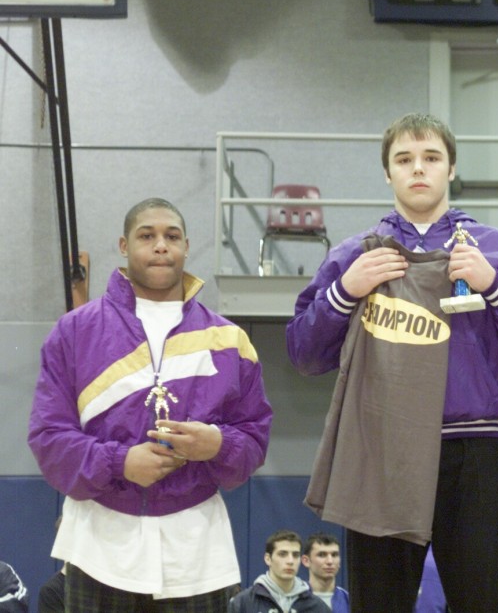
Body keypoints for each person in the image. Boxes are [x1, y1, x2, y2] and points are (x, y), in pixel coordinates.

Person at [287, 112, 498, 612]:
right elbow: (304, 355)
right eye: (404, 159)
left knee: (488, 605)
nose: (418, 168)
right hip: (382, 452)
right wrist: (343, 292)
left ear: (451, 168)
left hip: (474, 452)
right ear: (388, 173)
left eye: (431, 157)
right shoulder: (354, 256)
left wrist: (496, 286)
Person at [28, 197, 273, 612]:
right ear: (124, 246)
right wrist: (120, 462)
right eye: (147, 236)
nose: (161, 245)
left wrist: (217, 444)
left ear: (187, 246)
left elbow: (255, 437)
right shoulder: (74, 332)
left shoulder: (229, 340)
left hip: (198, 552)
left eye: (171, 236)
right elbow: (48, 438)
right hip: (98, 549)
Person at [229, 530, 328, 613]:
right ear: (268, 559)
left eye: (295, 555)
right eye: (282, 554)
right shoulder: (243, 603)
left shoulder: (316, 606)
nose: (290, 561)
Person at [301, 532, 349, 613]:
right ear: (306, 561)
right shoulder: (295, 599)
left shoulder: (348, 600)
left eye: (334, 555)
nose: (330, 561)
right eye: (322, 555)